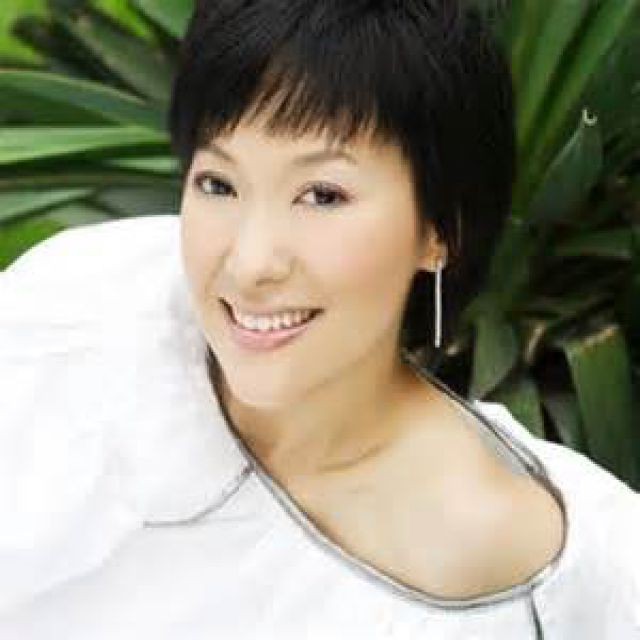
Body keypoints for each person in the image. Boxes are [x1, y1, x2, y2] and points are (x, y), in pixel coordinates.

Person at [0, 0, 638, 638]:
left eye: (322, 195)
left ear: (439, 229)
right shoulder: (88, 312)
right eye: (219, 183)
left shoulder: (517, 554)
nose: (250, 264)